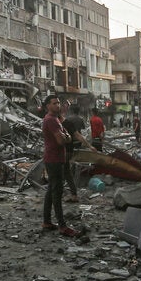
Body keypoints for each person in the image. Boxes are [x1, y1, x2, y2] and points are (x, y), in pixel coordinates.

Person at [39, 95, 79, 237]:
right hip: (54, 160)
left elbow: (66, 136)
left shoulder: (54, 119)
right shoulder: (51, 120)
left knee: (51, 190)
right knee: (57, 193)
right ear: (47, 105)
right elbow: (62, 141)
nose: (58, 105)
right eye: (54, 103)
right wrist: (66, 137)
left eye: (58, 103)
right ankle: (62, 226)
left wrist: (65, 136)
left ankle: (47, 221)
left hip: (54, 159)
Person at [62, 104, 98, 199]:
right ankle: (73, 186)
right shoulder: (80, 119)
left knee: (64, 169)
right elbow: (81, 132)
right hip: (77, 142)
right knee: (70, 165)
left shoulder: (67, 120)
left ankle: (66, 188)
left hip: (68, 143)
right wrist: (89, 146)